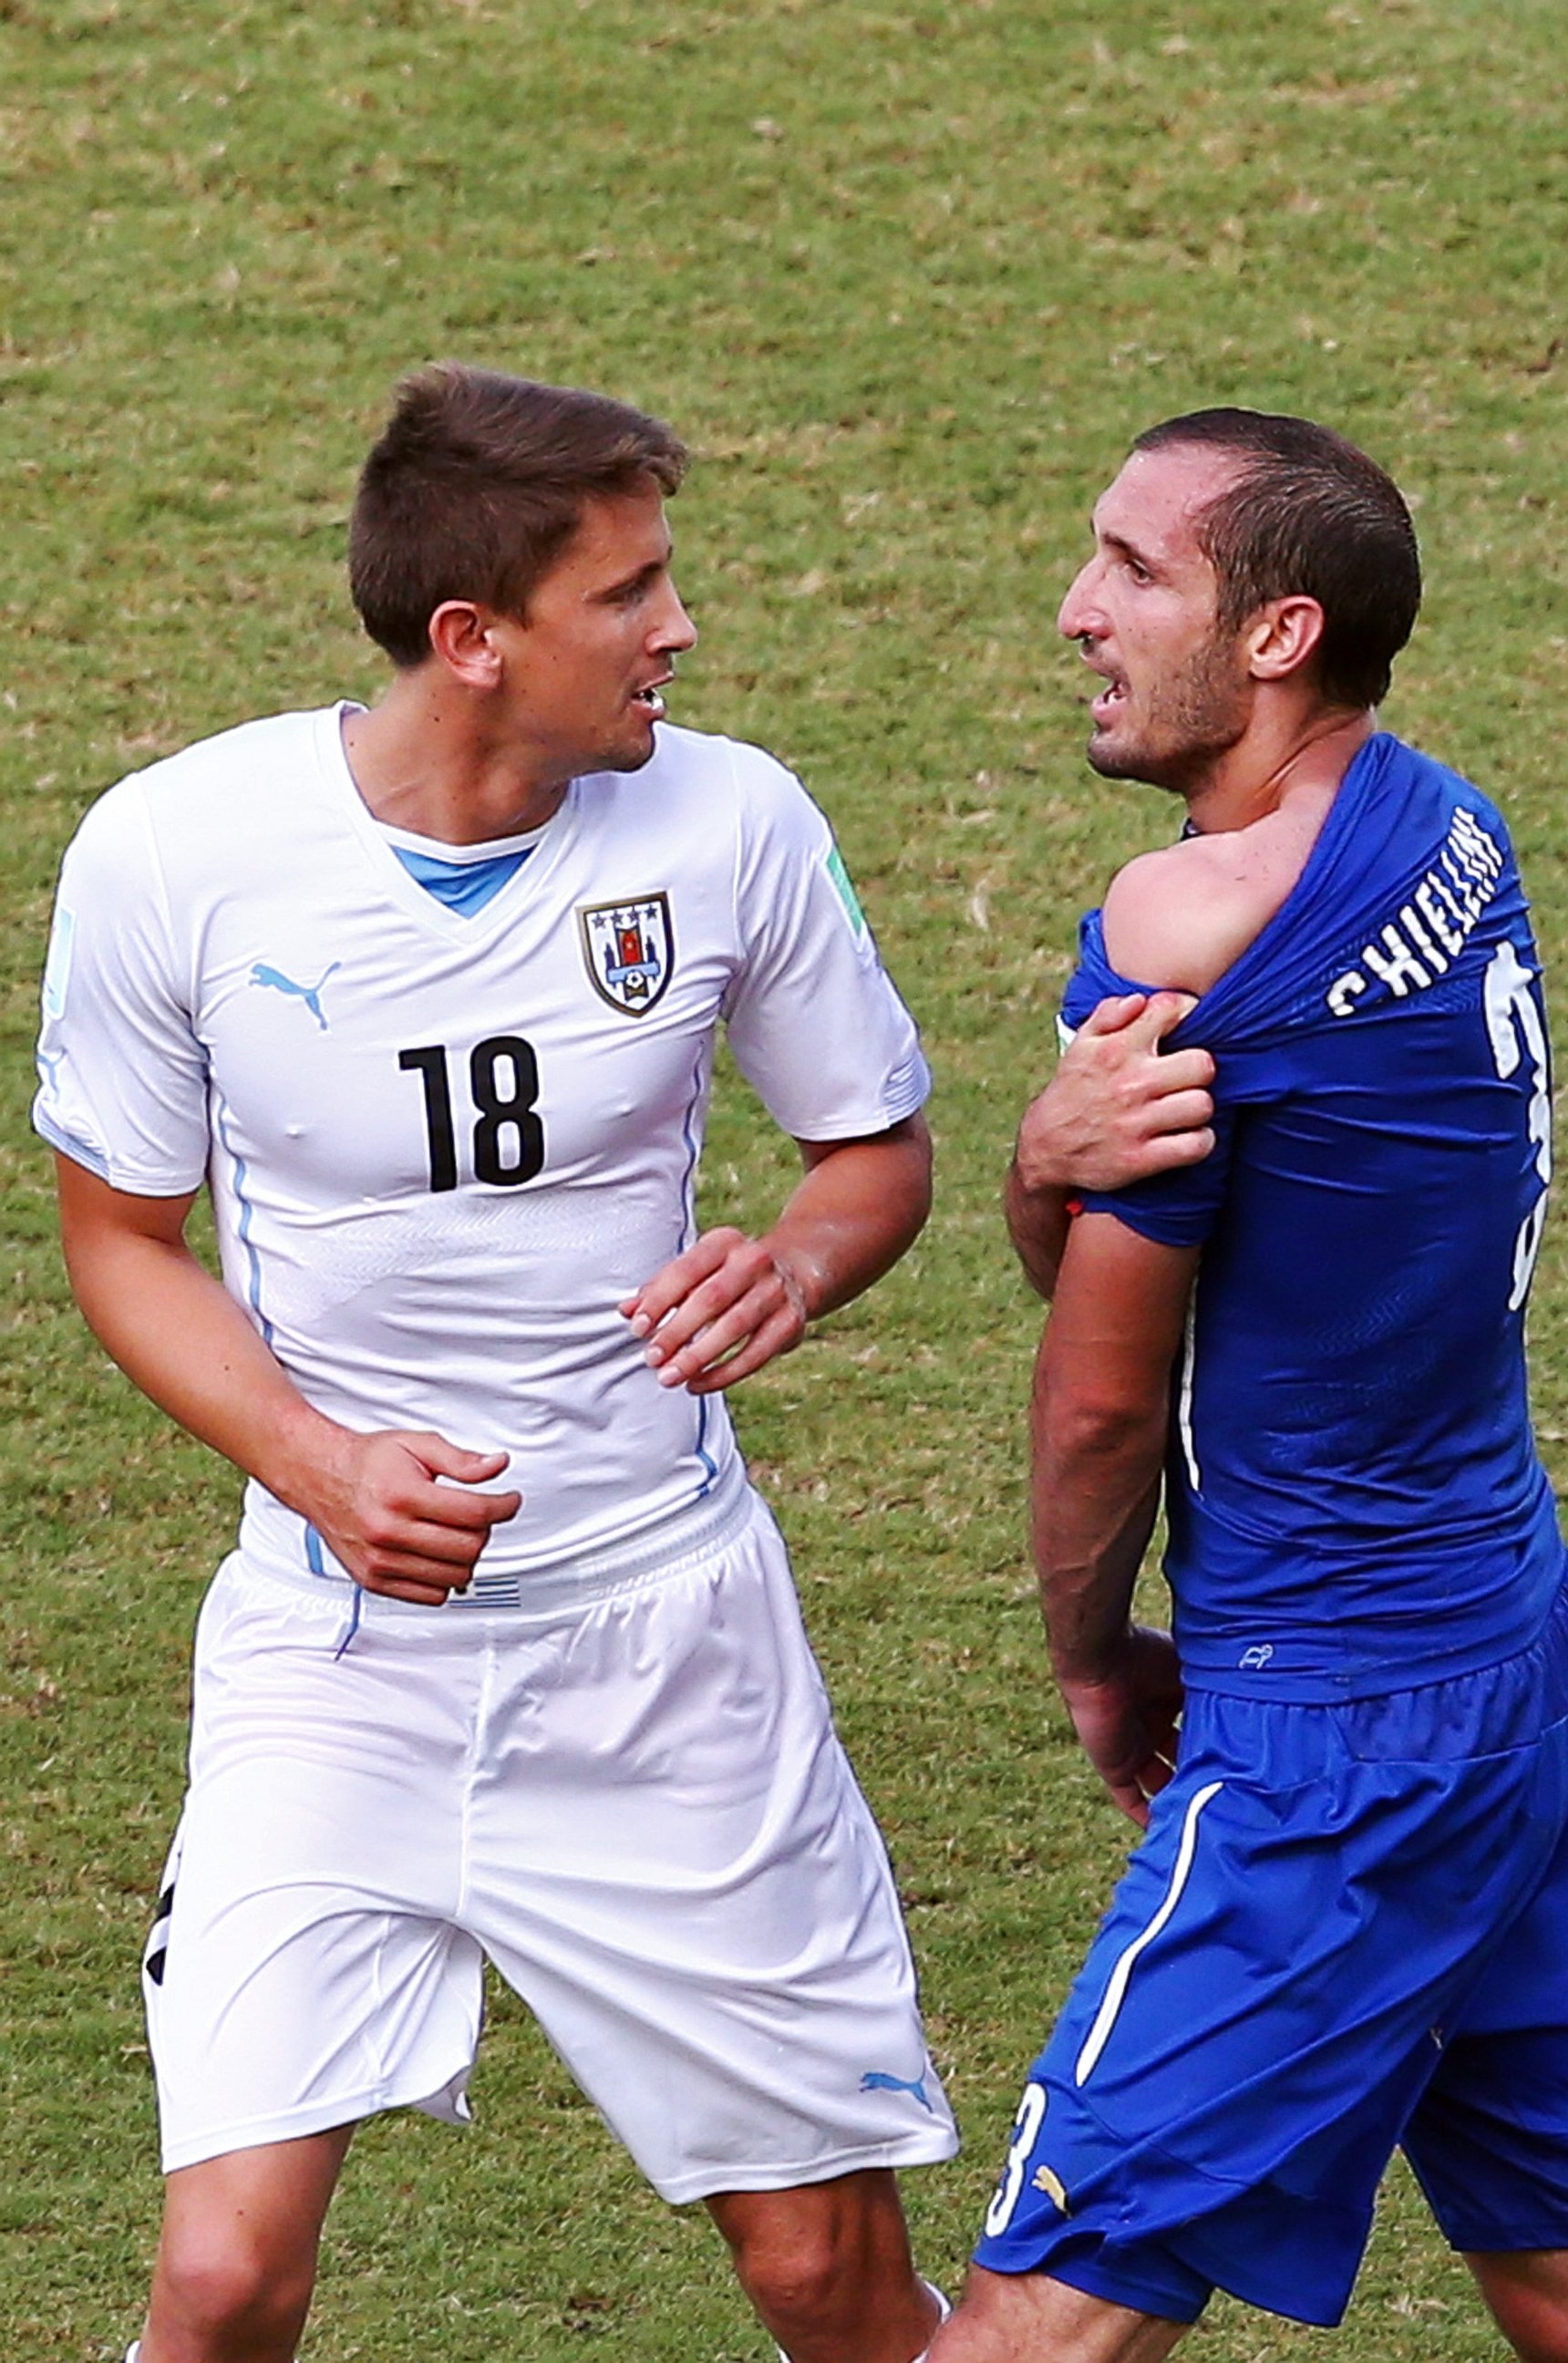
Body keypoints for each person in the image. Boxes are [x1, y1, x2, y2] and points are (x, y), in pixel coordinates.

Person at [33, 363, 956, 2363]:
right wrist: (316, 1464)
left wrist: (799, 1260)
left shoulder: (729, 821)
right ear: (474, 641)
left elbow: (872, 1154)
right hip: (332, 1662)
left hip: (665, 1658)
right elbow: (121, 1244)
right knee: (218, 2278)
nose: (679, 632)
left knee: (823, 2274)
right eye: (628, 596)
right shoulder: (175, 856)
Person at [929, 410, 1568, 2363]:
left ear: (1279, 631)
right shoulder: (1453, 829)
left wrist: (1084, 1646)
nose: (1077, 611)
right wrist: (1055, 1156)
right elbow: (1158, 1229)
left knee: (1036, 2313)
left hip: (1339, 1739)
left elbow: (1102, 1392)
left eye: (1136, 571)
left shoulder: (1185, 931)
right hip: (1521, 1658)